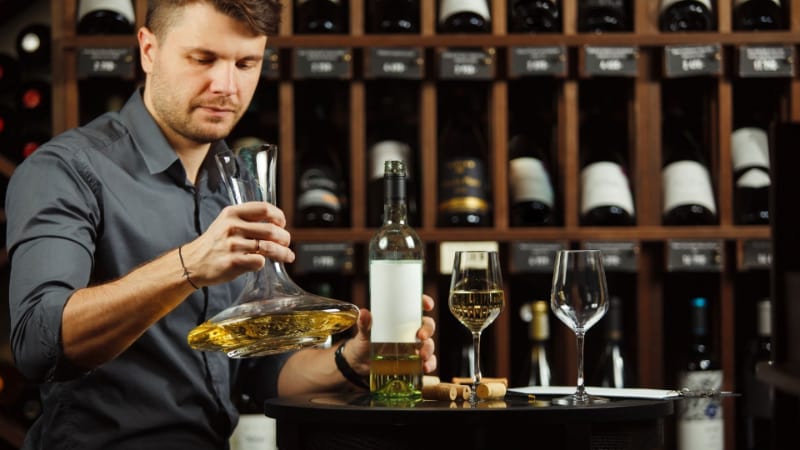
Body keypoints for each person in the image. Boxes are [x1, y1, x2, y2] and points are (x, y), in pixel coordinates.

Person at [5, 1, 437, 449]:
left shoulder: (237, 178)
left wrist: (351, 362)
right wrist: (189, 265)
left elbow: (260, 371)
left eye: (246, 63)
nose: (226, 86)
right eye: (203, 59)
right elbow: (39, 343)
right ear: (148, 50)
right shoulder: (66, 169)